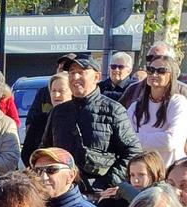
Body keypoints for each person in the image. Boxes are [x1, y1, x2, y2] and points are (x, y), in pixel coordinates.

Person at [42, 53, 143, 194]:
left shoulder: (113, 110)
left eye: (81, 72)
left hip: (99, 195)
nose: (75, 77)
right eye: (72, 72)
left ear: (97, 77)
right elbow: (46, 150)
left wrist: (107, 183)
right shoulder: (58, 112)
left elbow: (133, 152)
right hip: (63, 192)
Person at [127, 54, 187, 166]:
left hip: (171, 170)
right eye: (151, 70)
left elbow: (170, 141)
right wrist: (159, 137)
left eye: (161, 71)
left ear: (171, 75)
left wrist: (137, 138)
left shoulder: (178, 103)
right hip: (143, 170)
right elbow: (125, 138)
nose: (154, 74)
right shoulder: (136, 106)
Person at [120, 44, 187, 107]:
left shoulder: (183, 91)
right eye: (150, 58)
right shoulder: (133, 89)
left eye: (159, 58)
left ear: (171, 63)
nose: (153, 61)